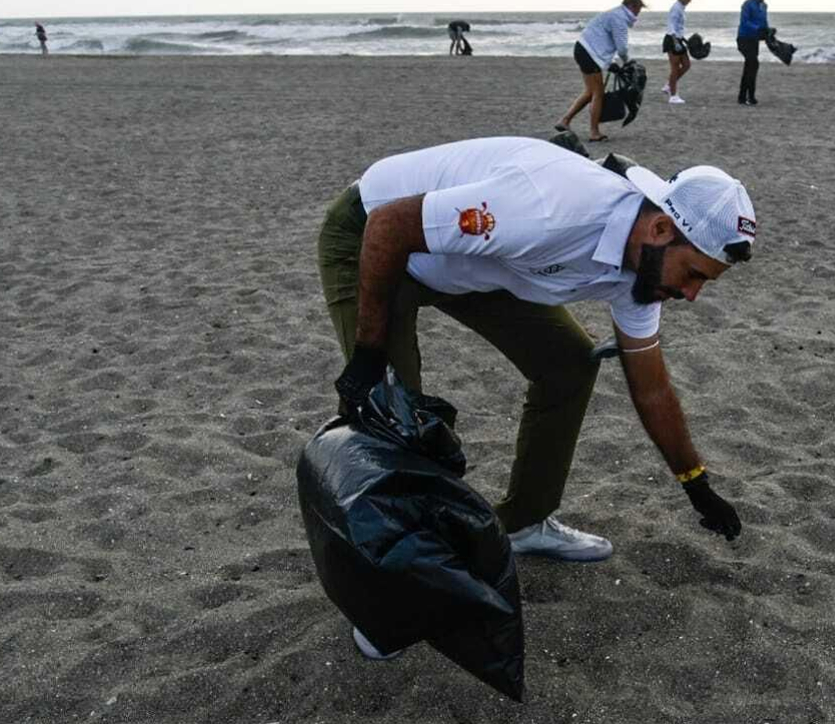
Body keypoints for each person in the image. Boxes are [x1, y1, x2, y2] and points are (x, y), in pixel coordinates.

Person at [316, 136, 755, 586]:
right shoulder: (548, 210)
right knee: (394, 415)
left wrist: (696, 484)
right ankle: (380, 593)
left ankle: (525, 521)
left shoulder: (645, 269)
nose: (691, 294)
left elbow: (651, 387)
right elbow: (390, 224)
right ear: (661, 229)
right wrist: (371, 353)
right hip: (372, 237)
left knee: (569, 364)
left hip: (471, 261)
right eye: (694, 274)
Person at [556, 0, 643, 143]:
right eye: (638, 10)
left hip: (582, 48)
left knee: (590, 91)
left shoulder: (613, 13)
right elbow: (621, 48)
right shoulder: (619, 19)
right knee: (598, 93)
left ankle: (564, 120)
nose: (638, 14)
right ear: (632, 7)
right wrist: (627, 62)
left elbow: (606, 42)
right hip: (590, 53)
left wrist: (611, 63)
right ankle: (594, 132)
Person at [735, 0, 770, 106]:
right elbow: (745, 22)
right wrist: (757, 28)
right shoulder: (748, 4)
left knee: (750, 66)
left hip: (754, 40)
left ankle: (744, 97)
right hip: (743, 38)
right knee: (753, 63)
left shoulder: (764, 6)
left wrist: (768, 31)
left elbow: (764, 22)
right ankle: (749, 96)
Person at [662, 0, 695, 104]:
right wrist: (675, 42)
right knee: (675, 68)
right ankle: (673, 96)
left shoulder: (681, 8)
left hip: (679, 39)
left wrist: (682, 40)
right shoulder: (676, 8)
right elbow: (671, 25)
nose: (690, 1)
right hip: (672, 39)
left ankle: (668, 85)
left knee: (686, 64)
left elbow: (679, 26)